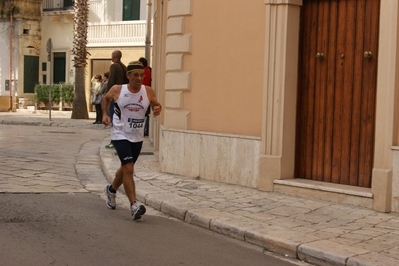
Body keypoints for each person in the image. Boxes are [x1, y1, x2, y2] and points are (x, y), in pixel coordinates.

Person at [102, 61, 162, 220]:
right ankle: (134, 205)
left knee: (125, 168)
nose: (139, 78)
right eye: (135, 75)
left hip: (137, 136)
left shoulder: (148, 91)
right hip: (119, 134)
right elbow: (105, 99)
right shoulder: (117, 90)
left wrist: (157, 109)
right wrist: (105, 115)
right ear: (128, 75)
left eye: (142, 75)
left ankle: (111, 190)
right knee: (128, 167)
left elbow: (157, 105)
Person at [105, 50, 129, 148]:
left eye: (111, 55)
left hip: (115, 97)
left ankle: (114, 141)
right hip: (124, 96)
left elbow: (111, 81)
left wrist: (108, 95)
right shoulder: (124, 67)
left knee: (114, 119)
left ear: (114, 56)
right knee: (122, 119)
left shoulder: (114, 66)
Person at [138, 57, 152, 136]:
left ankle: (144, 130)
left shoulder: (142, 72)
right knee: (147, 113)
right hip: (147, 93)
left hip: (142, 94)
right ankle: (146, 129)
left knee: (143, 113)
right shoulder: (149, 70)